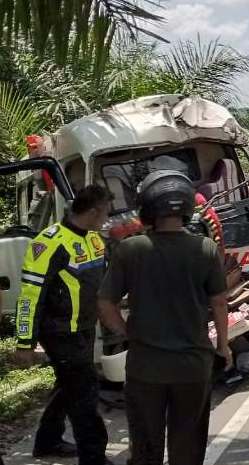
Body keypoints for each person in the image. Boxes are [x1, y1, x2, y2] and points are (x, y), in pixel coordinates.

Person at [97, 171, 230, 465]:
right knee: (188, 448)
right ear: (186, 207)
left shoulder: (130, 249)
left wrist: (127, 333)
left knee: (145, 448)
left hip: (145, 368)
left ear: (146, 208)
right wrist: (223, 346)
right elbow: (219, 303)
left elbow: (106, 303)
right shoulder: (204, 249)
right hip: (193, 367)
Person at [14, 186, 113, 465]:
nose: (107, 217)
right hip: (59, 332)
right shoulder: (49, 243)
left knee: (68, 384)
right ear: (94, 211)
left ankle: (48, 441)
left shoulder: (95, 240)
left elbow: (103, 282)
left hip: (84, 327)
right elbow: (29, 296)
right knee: (85, 393)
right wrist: (24, 342)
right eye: (105, 211)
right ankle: (93, 457)